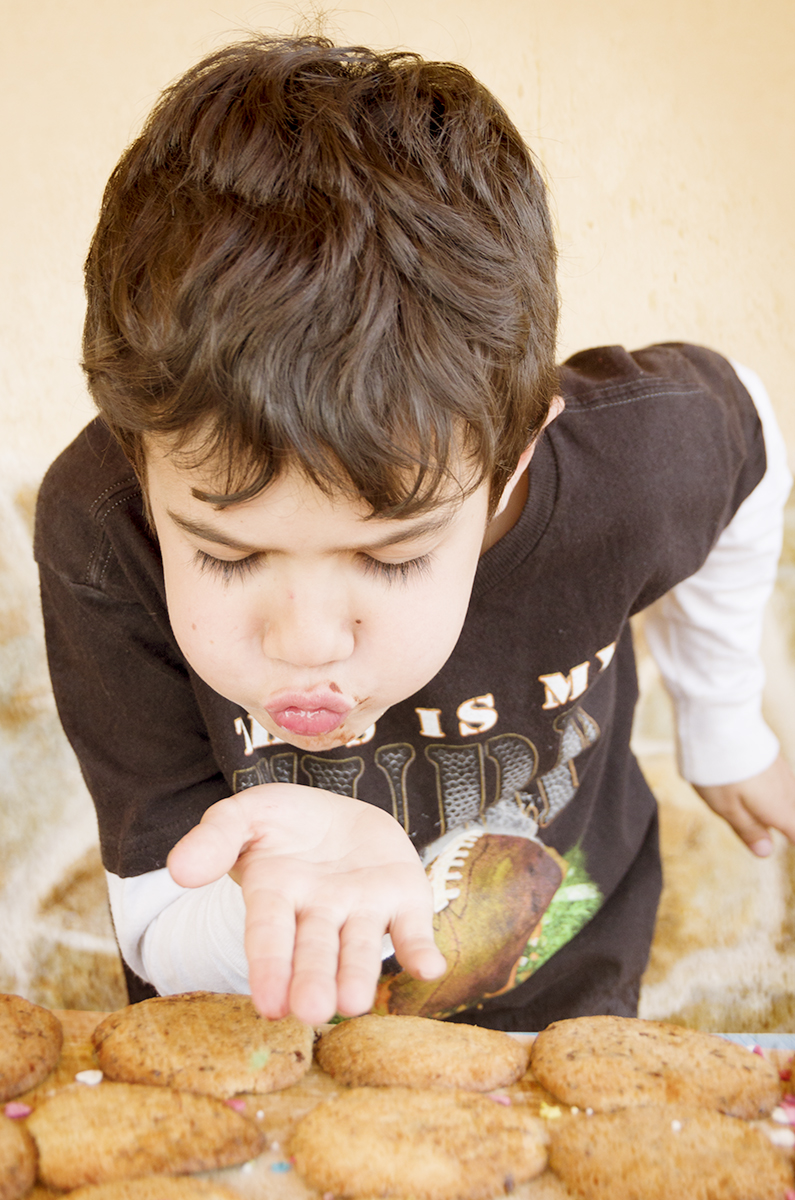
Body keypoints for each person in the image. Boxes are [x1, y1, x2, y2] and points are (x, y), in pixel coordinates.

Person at [34, 35, 795, 1032]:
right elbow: (158, 916)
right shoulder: (100, 531)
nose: (306, 639)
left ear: (511, 462)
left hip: (563, 979)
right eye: (226, 553)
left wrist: (725, 722)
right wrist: (278, 905)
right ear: (142, 468)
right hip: (255, 1020)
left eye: (391, 555)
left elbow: (750, 437)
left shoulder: (637, 464)